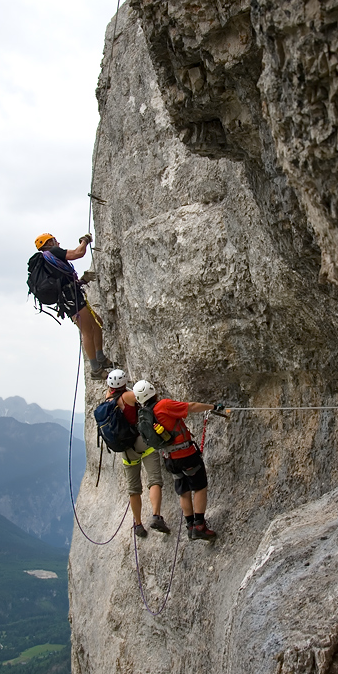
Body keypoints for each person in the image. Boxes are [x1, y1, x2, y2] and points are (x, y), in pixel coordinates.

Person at [132, 380, 221, 542]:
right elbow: (191, 406)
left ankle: (190, 526)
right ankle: (200, 526)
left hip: (169, 459)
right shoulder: (164, 405)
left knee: (183, 490)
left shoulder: (145, 414)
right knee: (200, 487)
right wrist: (213, 407)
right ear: (153, 391)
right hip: (186, 454)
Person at [34, 232, 108, 380]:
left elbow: (62, 280)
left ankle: (100, 358)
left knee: (97, 324)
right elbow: (78, 253)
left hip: (70, 297)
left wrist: (82, 281)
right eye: (54, 240)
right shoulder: (52, 252)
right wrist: (85, 241)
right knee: (87, 331)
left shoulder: (49, 260)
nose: (58, 243)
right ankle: (95, 369)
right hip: (71, 299)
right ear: (48, 243)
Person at [106, 369, 170, 539]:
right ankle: (156, 515)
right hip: (142, 441)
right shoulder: (128, 396)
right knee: (154, 479)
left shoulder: (107, 399)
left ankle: (138, 524)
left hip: (126, 450)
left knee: (134, 489)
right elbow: (144, 397)